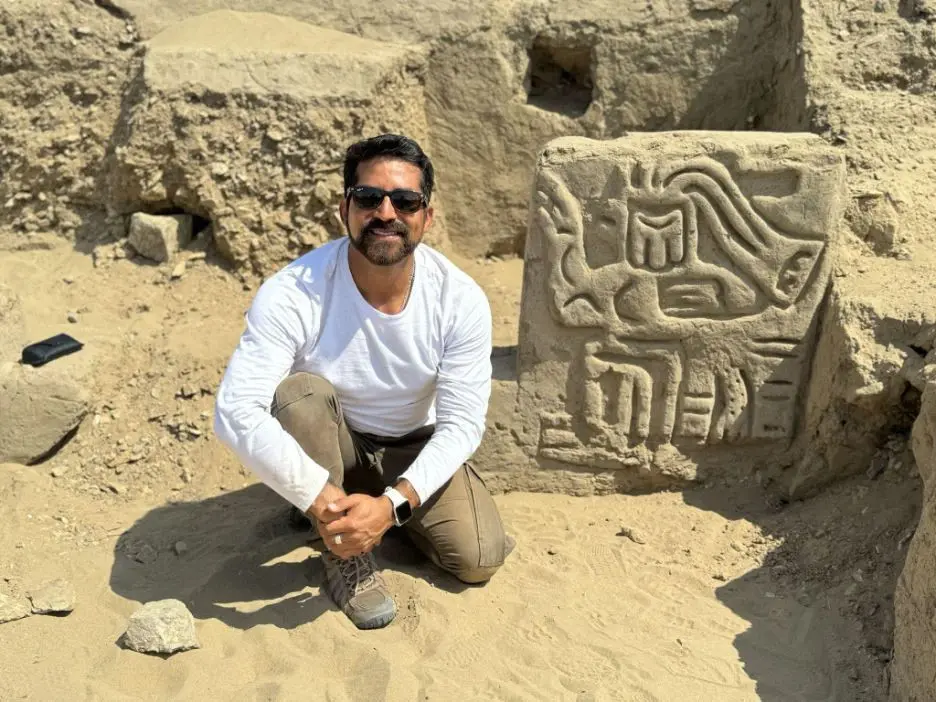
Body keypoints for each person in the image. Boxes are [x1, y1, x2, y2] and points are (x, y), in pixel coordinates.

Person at [214, 133, 511, 630]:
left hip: (410, 447)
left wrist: (391, 505)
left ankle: (361, 515)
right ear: (344, 209)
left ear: (427, 217)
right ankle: (337, 539)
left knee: (478, 558)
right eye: (370, 198)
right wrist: (321, 497)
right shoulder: (294, 292)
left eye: (406, 201)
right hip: (334, 441)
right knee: (298, 394)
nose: (386, 213)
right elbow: (235, 410)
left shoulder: (460, 299)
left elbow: (461, 426)